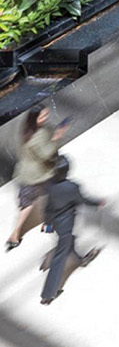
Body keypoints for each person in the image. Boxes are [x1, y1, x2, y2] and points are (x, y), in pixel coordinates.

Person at [38, 157, 103, 305]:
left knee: (69, 243)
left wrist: (47, 223)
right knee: (59, 259)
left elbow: (48, 207)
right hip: (66, 226)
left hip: (56, 224)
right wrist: (96, 203)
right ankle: (48, 294)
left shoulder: (50, 186)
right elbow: (82, 200)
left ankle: (81, 259)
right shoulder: (72, 187)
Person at [6, 104, 65, 250]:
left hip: (24, 174)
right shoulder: (39, 135)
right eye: (43, 116)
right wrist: (56, 137)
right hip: (40, 174)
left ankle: (15, 235)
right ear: (35, 118)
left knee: (26, 205)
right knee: (53, 197)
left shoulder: (26, 130)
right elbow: (46, 154)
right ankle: (48, 225)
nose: (46, 118)